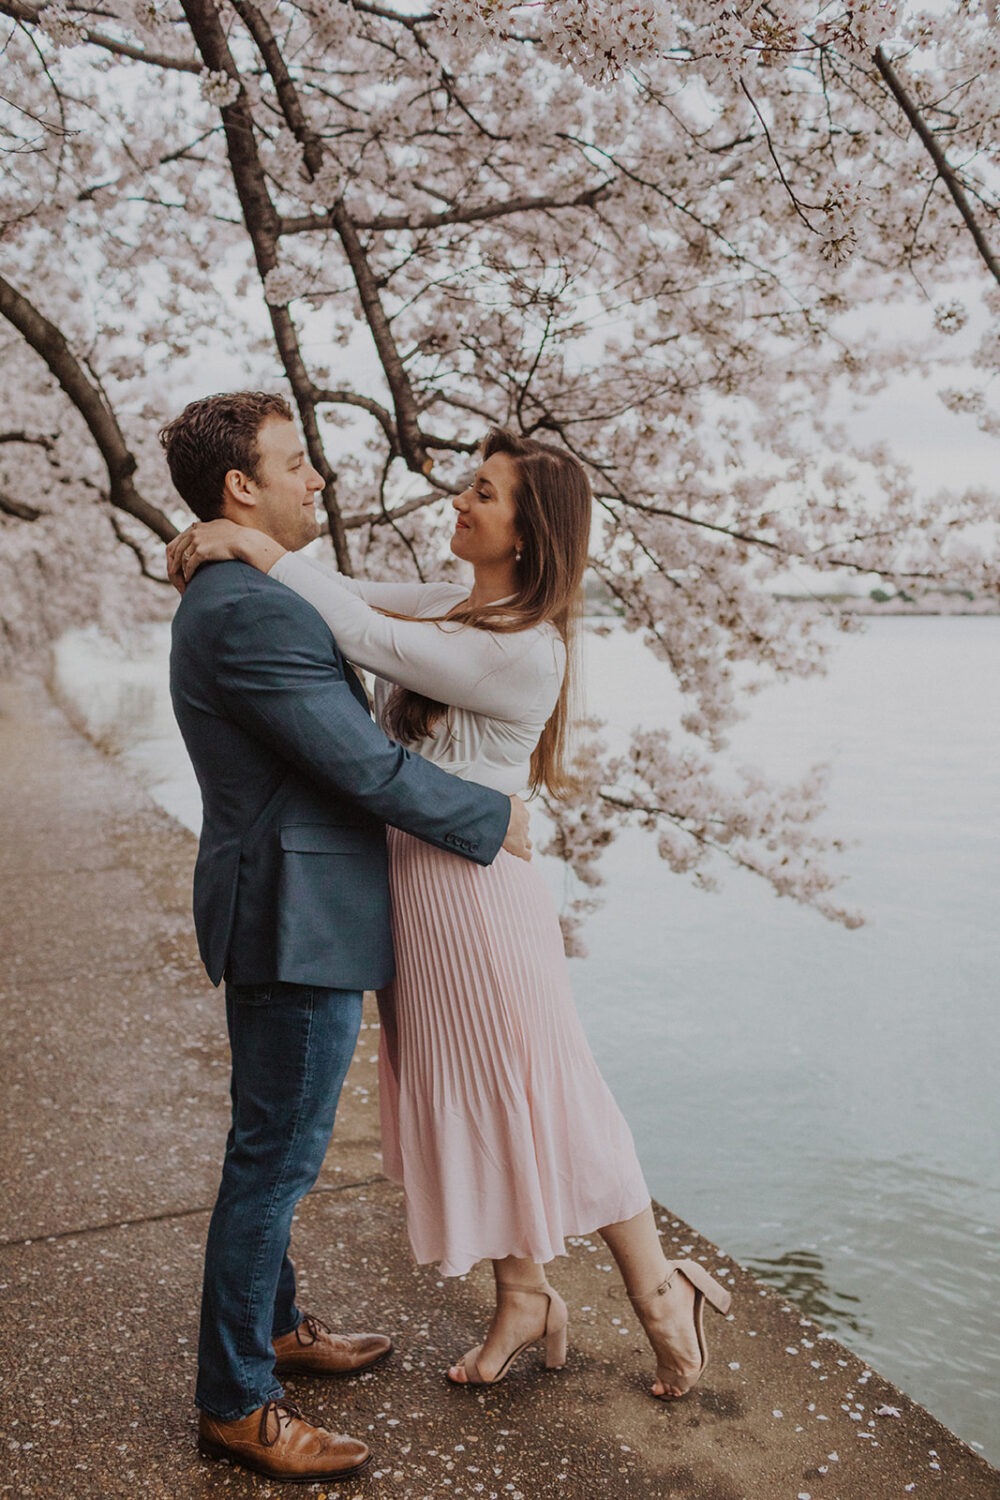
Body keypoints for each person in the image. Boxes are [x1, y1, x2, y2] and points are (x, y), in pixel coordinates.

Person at [167, 424, 732, 1406]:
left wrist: (252, 544)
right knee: (474, 1097)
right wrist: (244, 544)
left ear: (528, 533)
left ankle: (659, 1291)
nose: (459, 502)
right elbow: (349, 597)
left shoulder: (525, 650)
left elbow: (364, 637)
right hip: (416, 897)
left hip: (478, 899)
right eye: (465, 485)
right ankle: (522, 1295)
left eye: (483, 494)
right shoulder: (463, 610)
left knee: (545, 1089)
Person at [160, 392, 532, 1486]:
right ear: (241, 486)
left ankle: (273, 1330)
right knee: (272, 1165)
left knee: (269, 1148)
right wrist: (496, 820)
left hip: (288, 902)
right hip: (296, 916)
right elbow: (361, 769)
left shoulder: (252, 592)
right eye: (293, 462)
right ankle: (235, 1401)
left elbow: (395, 617)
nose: (316, 478)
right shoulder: (251, 611)